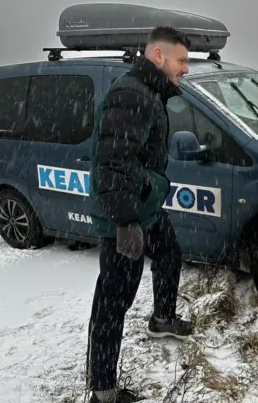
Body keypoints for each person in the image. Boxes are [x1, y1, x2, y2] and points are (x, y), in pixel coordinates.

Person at [85, 26, 194, 403]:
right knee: (113, 302)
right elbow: (112, 163)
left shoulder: (148, 91)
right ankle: (103, 391)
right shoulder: (132, 94)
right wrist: (125, 223)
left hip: (143, 209)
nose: (186, 69)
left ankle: (162, 319)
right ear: (159, 56)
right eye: (182, 60)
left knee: (169, 253)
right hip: (126, 218)